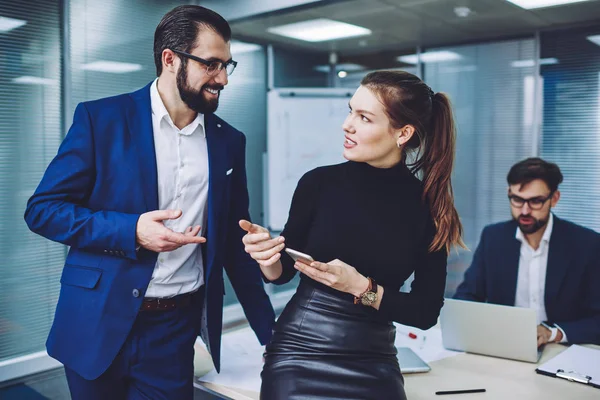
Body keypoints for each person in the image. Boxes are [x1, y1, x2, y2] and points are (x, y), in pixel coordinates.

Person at [24, 5, 275, 399]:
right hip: (97, 321)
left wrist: (270, 336)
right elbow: (43, 210)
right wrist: (132, 231)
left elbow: (234, 239)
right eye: (211, 64)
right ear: (170, 59)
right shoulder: (100, 119)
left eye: (228, 65)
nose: (223, 78)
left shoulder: (229, 141)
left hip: (175, 331)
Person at [240, 70, 465, 399]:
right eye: (350, 111)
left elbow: (425, 312)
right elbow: (282, 274)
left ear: (403, 133)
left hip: (374, 359)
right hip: (299, 351)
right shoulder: (317, 184)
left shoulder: (430, 210)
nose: (348, 125)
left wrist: (360, 287)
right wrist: (268, 256)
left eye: (364, 118)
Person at [454, 158, 600, 346]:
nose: (524, 211)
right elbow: (466, 297)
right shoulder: (494, 238)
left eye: (536, 201)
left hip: (559, 349)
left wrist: (553, 333)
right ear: (509, 193)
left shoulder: (586, 244)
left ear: (554, 199)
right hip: (505, 345)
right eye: (517, 199)